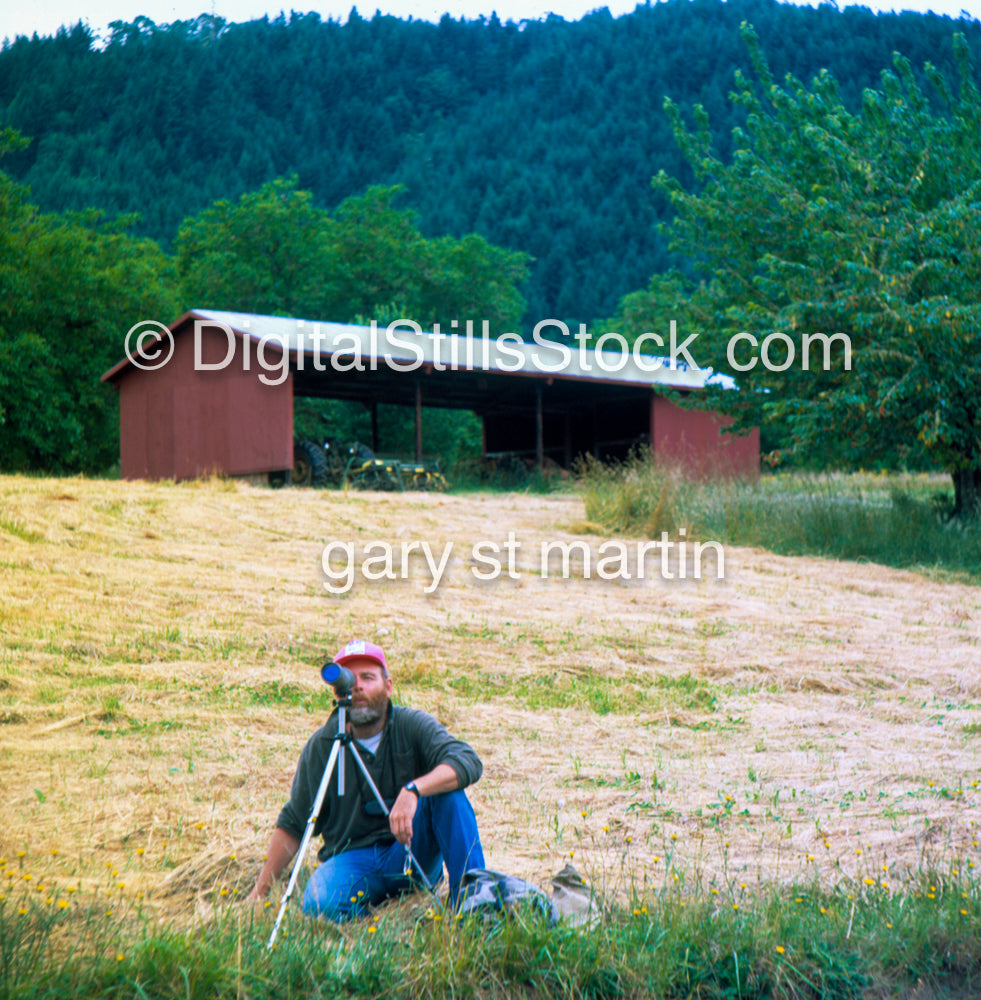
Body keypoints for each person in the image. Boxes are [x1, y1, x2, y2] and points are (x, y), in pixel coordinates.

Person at [248, 638, 485, 920]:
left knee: (448, 795)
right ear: (337, 692)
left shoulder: (412, 725)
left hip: (412, 852)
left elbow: (467, 760)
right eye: (349, 679)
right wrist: (259, 892)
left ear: (388, 685)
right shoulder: (324, 745)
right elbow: (295, 822)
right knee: (318, 905)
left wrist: (413, 791)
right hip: (351, 859)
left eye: (368, 678)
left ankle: (475, 905)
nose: (357, 686)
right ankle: (381, 926)